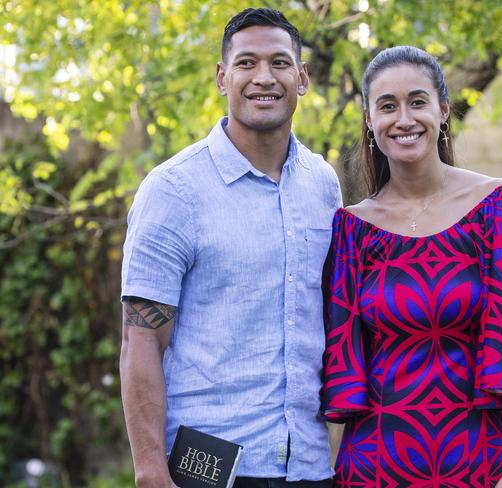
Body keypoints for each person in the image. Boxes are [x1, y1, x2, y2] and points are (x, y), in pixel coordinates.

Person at [321, 46, 502, 487]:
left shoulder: (501, 209)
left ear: (442, 110)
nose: (403, 119)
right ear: (369, 120)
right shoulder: (351, 229)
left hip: (481, 465)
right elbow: (341, 364)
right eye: (387, 106)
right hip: (374, 467)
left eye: (417, 102)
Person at [120, 8, 341, 488]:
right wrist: (152, 474)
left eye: (280, 63)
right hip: (208, 470)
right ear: (223, 77)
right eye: (246, 63)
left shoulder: (323, 185)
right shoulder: (174, 191)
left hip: (310, 465)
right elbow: (140, 340)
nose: (264, 77)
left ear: (302, 78)